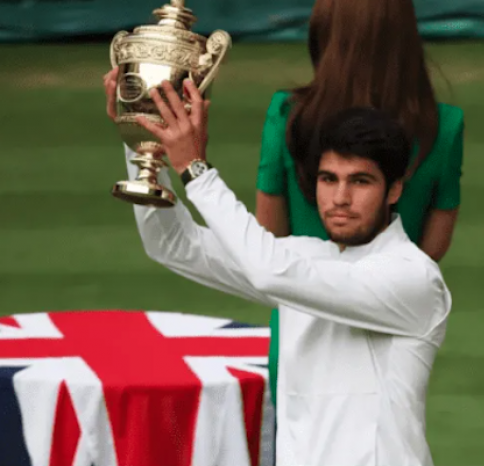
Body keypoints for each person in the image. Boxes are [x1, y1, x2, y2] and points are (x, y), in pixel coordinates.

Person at [115, 77, 451, 466]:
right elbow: (173, 244)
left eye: (360, 181)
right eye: (329, 179)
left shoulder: (412, 278)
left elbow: (271, 273)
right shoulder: (305, 261)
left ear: (393, 191)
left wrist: (197, 171)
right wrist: (143, 141)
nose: (340, 198)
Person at [255, 0, 465, 408]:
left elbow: (270, 235)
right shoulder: (445, 125)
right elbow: (432, 248)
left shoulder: (287, 114)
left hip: (301, 331)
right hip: (387, 332)